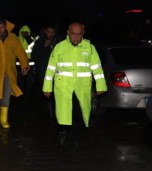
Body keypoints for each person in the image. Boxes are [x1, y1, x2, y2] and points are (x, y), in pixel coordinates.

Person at [42, 22, 107, 151]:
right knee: (62, 113)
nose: (76, 37)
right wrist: (47, 87)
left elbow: (97, 68)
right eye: (73, 34)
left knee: (80, 113)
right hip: (63, 86)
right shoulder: (59, 47)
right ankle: (62, 137)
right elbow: (50, 68)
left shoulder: (89, 48)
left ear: (83, 33)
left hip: (82, 87)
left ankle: (76, 138)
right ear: (68, 32)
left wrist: (101, 85)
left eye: (79, 34)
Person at [31, 25, 61, 122]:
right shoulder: (40, 41)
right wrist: (44, 46)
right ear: (45, 31)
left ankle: (55, 114)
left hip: (57, 73)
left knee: (56, 93)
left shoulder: (59, 42)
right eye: (49, 31)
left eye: (52, 32)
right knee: (45, 92)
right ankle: (47, 112)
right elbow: (34, 55)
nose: (50, 34)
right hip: (43, 72)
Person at [17, 25, 37, 103]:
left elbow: (34, 49)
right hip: (19, 64)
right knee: (20, 82)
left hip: (31, 65)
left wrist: (28, 39)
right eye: (23, 32)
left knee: (30, 81)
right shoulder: (17, 39)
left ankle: (27, 96)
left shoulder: (32, 40)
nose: (24, 34)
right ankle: (20, 96)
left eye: (26, 32)